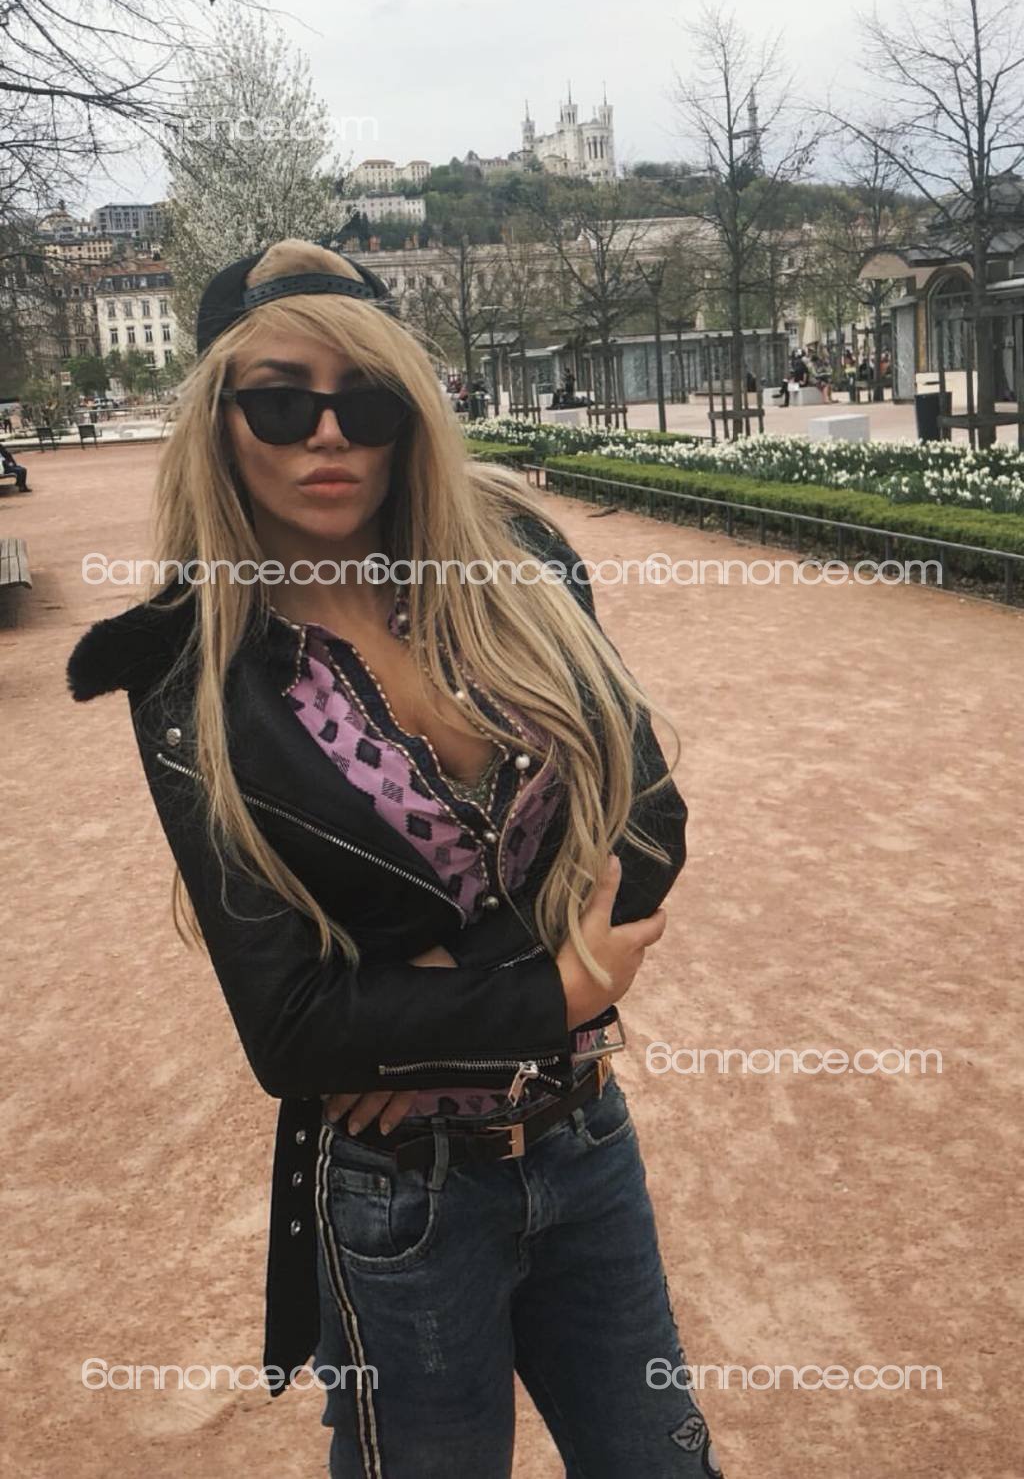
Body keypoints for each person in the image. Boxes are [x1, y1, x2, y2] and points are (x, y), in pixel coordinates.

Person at [65, 239, 721, 1478]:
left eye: (365, 401)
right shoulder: (185, 674)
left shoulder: (515, 564)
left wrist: (461, 991)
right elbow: (295, 1029)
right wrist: (557, 986)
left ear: (408, 416)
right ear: (218, 420)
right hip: (402, 1194)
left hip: (584, 1138)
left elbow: (646, 819)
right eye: (281, 401)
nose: (328, 433)